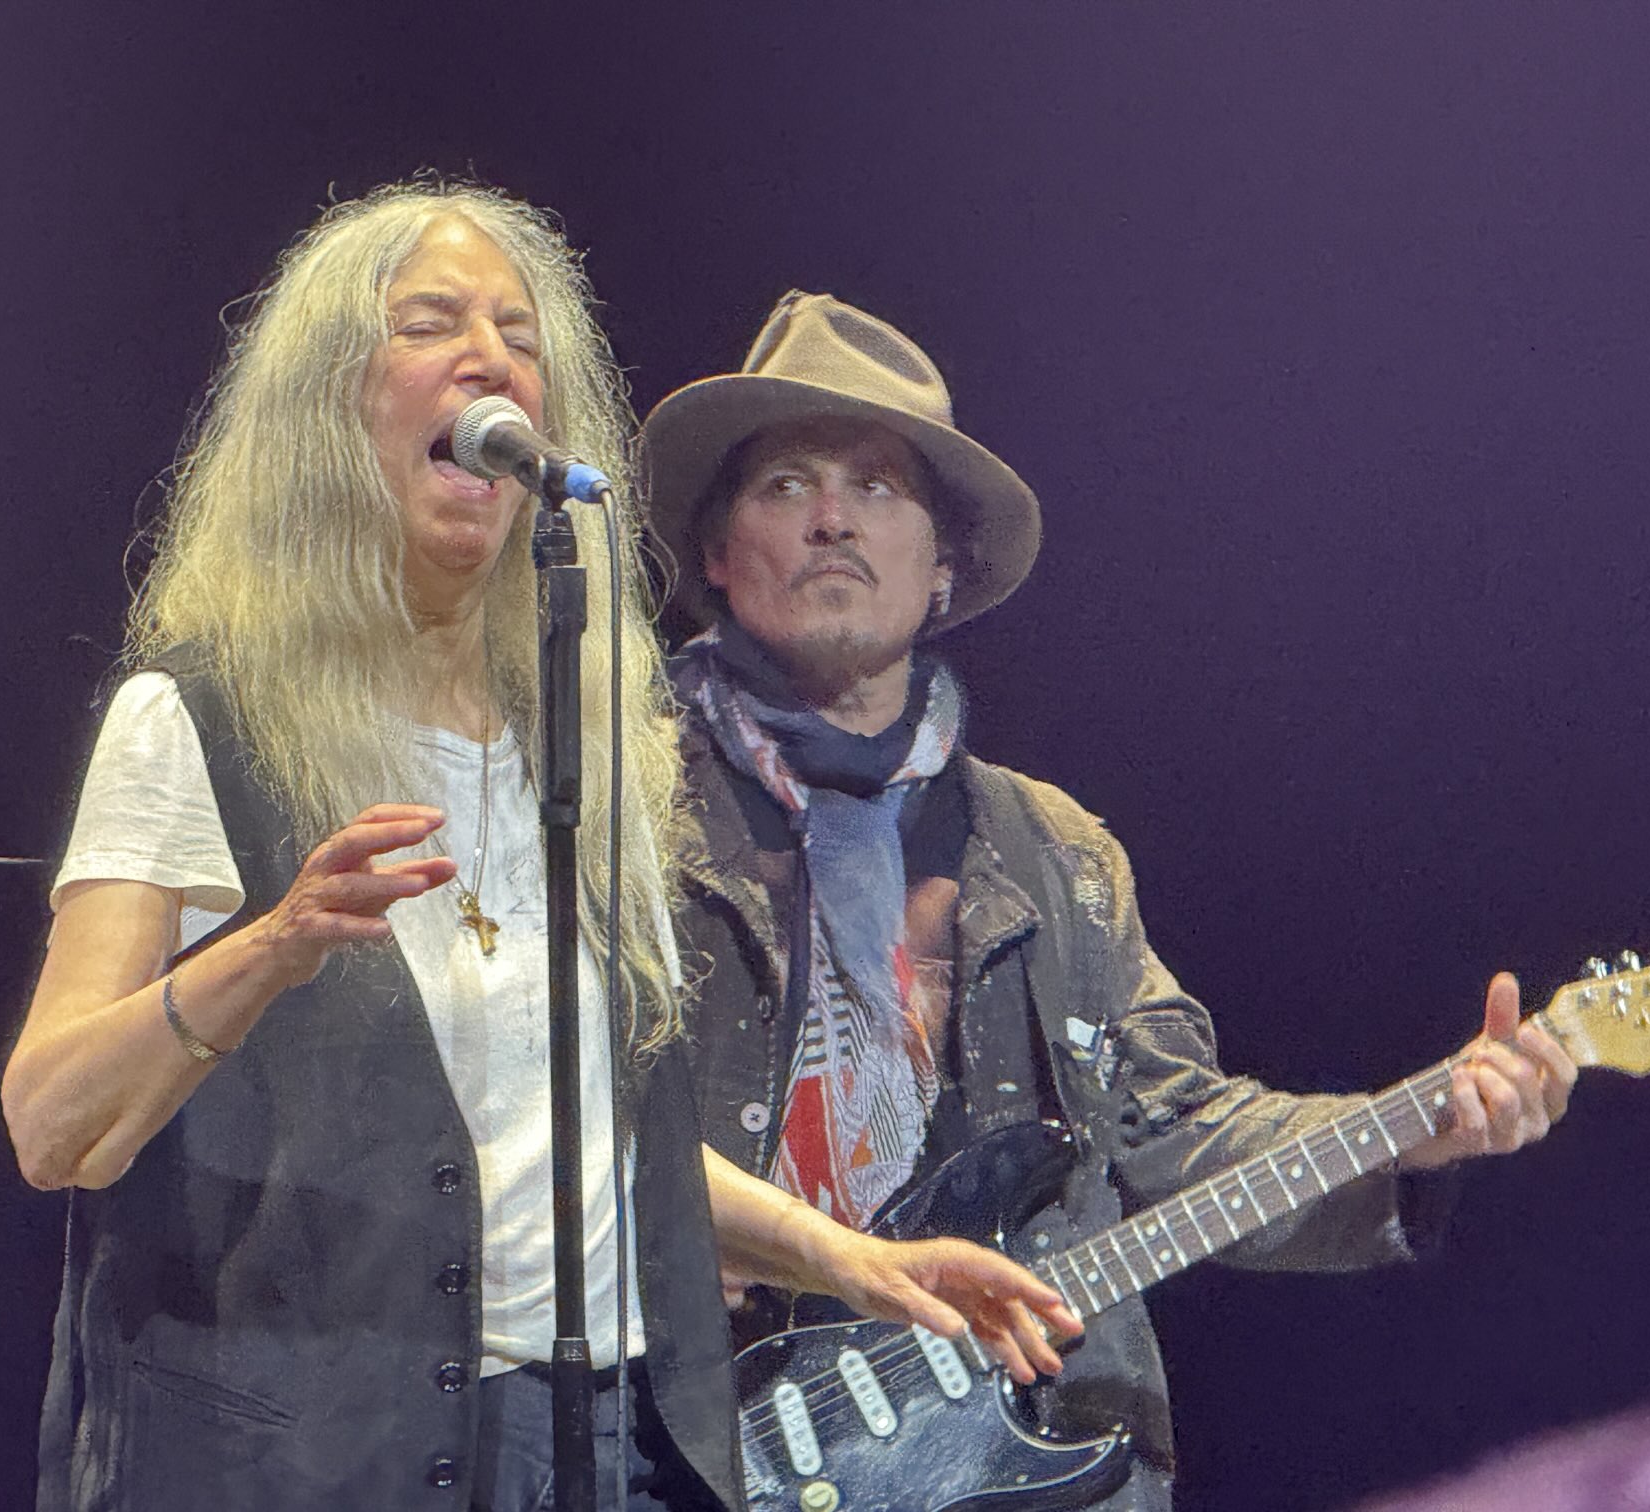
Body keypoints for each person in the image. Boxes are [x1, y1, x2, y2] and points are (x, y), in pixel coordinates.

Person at [0, 189, 1076, 1512]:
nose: (487, 355)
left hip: (600, 1442)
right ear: (326, 408)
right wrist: (271, 950)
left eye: (520, 332)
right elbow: (56, 1126)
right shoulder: (201, 717)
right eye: (429, 322)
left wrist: (857, 1265)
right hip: (321, 1455)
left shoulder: (576, 737)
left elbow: (588, 1144)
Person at [641, 291, 1581, 1511]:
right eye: (785, 486)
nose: (831, 520)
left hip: (1015, 1461)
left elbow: (1173, 1131)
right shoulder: (620, 817)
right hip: (697, 1449)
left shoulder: (1054, 851)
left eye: (878, 487)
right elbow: (538, 1126)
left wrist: (1417, 1128)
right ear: (716, 555)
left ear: (942, 568)